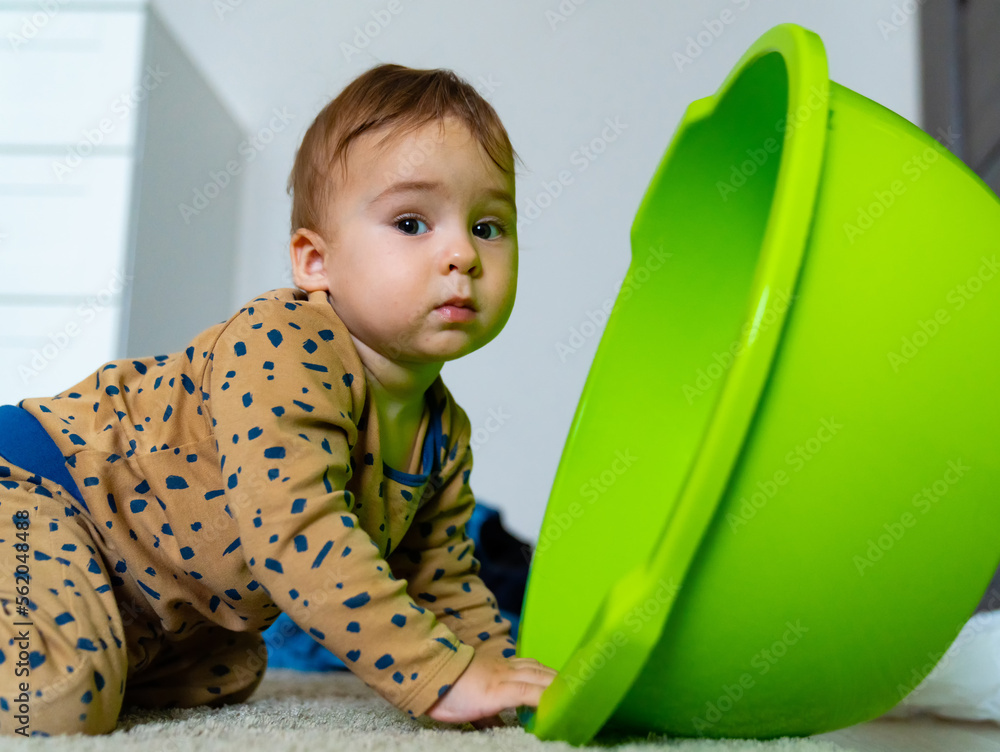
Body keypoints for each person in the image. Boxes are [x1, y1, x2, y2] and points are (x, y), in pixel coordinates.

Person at [0, 62, 556, 737]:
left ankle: (90, 635)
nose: (462, 255)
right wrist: (437, 678)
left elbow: (441, 575)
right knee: (50, 698)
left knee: (230, 664)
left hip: (150, 600)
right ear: (314, 262)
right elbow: (296, 537)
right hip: (39, 492)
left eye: (489, 227)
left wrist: (498, 676)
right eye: (412, 223)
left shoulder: (442, 428)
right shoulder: (281, 345)